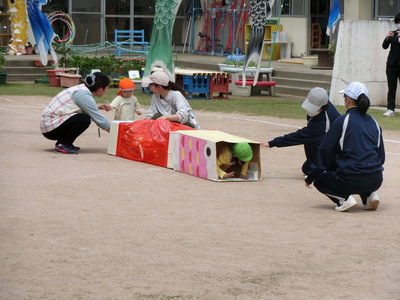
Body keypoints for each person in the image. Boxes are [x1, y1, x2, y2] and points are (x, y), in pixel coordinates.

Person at [305, 82, 385, 212]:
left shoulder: (343, 120)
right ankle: (370, 194)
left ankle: (344, 199)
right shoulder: (374, 122)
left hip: (351, 180)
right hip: (376, 179)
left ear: (347, 99)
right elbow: (381, 157)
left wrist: (312, 175)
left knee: (320, 180)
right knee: (359, 169)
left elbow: (325, 151)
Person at [261, 87, 340, 175]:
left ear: (322, 107)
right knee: (306, 168)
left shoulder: (323, 123)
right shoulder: (324, 104)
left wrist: (272, 143)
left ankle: (326, 169)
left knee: (310, 141)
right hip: (328, 145)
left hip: (335, 154)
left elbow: (300, 136)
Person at [40, 72, 111, 154]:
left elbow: (73, 107)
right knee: (84, 119)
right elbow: (100, 120)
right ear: (100, 89)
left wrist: (97, 107)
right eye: (106, 88)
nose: (106, 90)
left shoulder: (81, 89)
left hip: (49, 125)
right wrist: (119, 132)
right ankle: (64, 144)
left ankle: (64, 142)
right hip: (50, 128)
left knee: (84, 117)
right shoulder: (83, 95)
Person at [382, 12, 400, 117]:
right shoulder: (392, 33)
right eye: (397, 22)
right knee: (391, 88)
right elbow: (384, 46)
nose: (398, 24)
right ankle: (390, 109)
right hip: (391, 64)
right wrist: (387, 38)